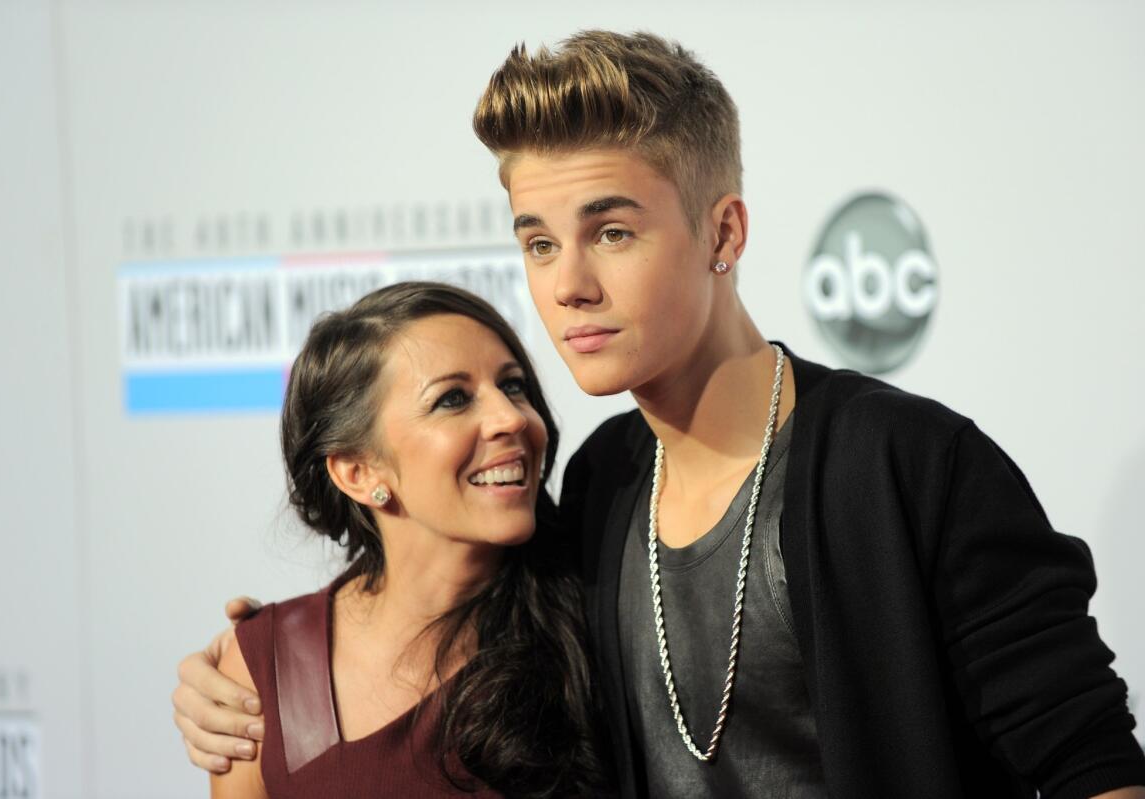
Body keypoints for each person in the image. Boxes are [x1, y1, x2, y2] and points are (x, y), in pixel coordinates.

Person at [174, 31, 1145, 798]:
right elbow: (421, 620)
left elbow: (1091, 761)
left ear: (724, 231)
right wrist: (243, 665)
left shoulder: (907, 465)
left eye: (612, 232)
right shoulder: (596, 492)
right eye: (540, 243)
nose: (570, 286)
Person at [201, 282, 608, 798]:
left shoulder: (598, 612)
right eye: (453, 399)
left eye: (513, 386)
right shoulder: (263, 667)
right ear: (357, 471)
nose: (511, 418)